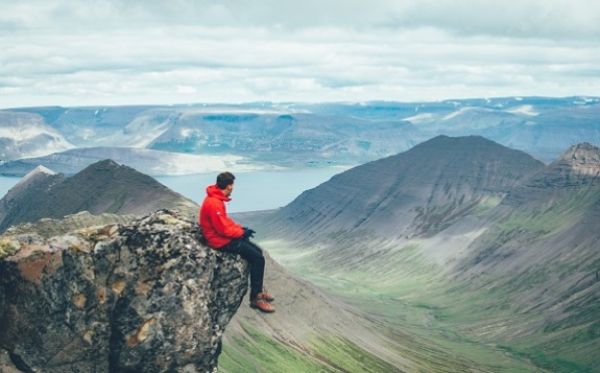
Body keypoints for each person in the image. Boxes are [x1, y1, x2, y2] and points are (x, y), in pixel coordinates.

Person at [199, 172, 275, 313]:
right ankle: (256, 298)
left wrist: (241, 229)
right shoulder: (214, 203)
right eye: (232, 185)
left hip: (222, 237)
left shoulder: (215, 199)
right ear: (228, 186)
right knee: (258, 259)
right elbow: (223, 230)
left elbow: (225, 223)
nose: (233, 187)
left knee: (258, 252)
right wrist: (241, 233)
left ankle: (258, 291)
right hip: (219, 242)